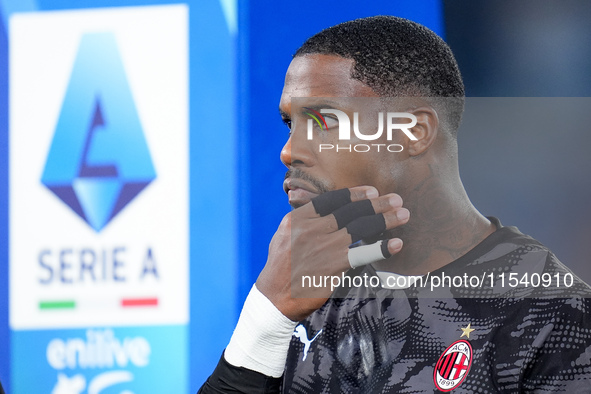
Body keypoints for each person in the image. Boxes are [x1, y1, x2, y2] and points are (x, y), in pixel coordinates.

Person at [199, 16, 591, 393]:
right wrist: (265, 318)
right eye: (290, 123)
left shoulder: (550, 311)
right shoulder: (307, 292)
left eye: (323, 121)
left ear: (414, 132)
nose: (289, 151)